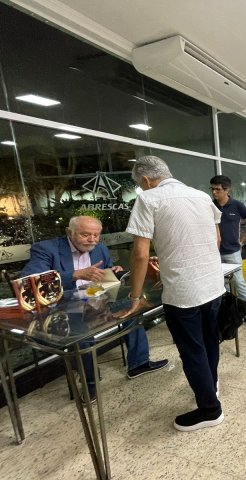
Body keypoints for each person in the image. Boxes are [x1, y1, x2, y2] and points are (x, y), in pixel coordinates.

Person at [116, 155, 225, 432]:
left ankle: (210, 410)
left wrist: (135, 297)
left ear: (145, 180)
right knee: (210, 341)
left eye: (141, 184)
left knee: (192, 350)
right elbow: (216, 239)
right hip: (213, 284)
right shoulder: (201, 196)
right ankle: (210, 386)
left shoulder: (148, 199)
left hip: (184, 292)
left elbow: (140, 254)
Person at [21, 215, 168, 402]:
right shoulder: (46, 249)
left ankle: (139, 363)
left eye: (96, 235)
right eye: (85, 235)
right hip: (64, 308)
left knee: (132, 308)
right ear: (69, 232)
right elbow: (31, 281)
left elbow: (106, 274)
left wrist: (114, 271)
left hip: (97, 301)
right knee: (81, 332)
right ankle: (90, 382)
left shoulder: (100, 248)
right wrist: (75, 274)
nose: (92, 240)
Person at [209, 175, 246, 328]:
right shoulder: (210, 206)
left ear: (227, 190)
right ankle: (228, 314)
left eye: (217, 189)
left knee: (239, 282)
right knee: (222, 285)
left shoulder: (237, 205)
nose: (214, 192)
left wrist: (241, 241)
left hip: (232, 252)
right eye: (212, 189)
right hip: (215, 253)